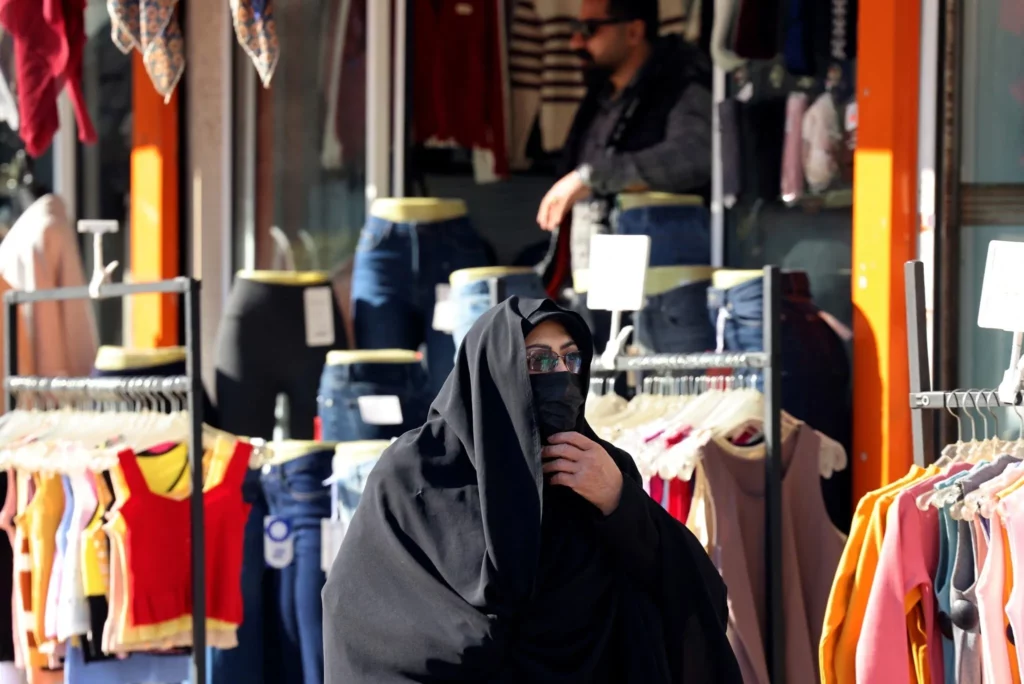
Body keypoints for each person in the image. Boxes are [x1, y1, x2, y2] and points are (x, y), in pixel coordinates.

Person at [322, 297, 740, 683]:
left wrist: (619, 501)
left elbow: (695, 594)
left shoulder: (599, 467)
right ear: (495, 370)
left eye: (571, 358)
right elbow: (363, 621)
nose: (560, 375)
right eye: (538, 361)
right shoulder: (416, 475)